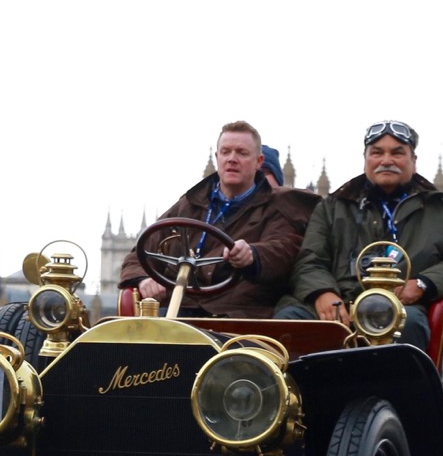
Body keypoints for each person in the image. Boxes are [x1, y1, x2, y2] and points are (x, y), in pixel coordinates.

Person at [274, 119, 443, 350]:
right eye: (377, 153)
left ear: (413, 161)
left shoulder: (441, 210)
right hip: (339, 304)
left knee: (411, 324)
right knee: (289, 318)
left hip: (400, 308)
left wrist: (424, 284)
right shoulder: (332, 206)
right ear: (366, 159)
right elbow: (309, 261)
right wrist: (322, 292)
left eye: (397, 153)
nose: (386, 161)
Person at [118, 121, 309, 318]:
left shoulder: (278, 205)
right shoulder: (189, 204)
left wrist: (253, 254)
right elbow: (139, 254)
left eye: (242, 153)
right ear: (217, 158)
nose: (232, 159)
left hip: (241, 316)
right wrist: (143, 279)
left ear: (258, 162)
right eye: (226, 152)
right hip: (182, 308)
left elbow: (284, 249)